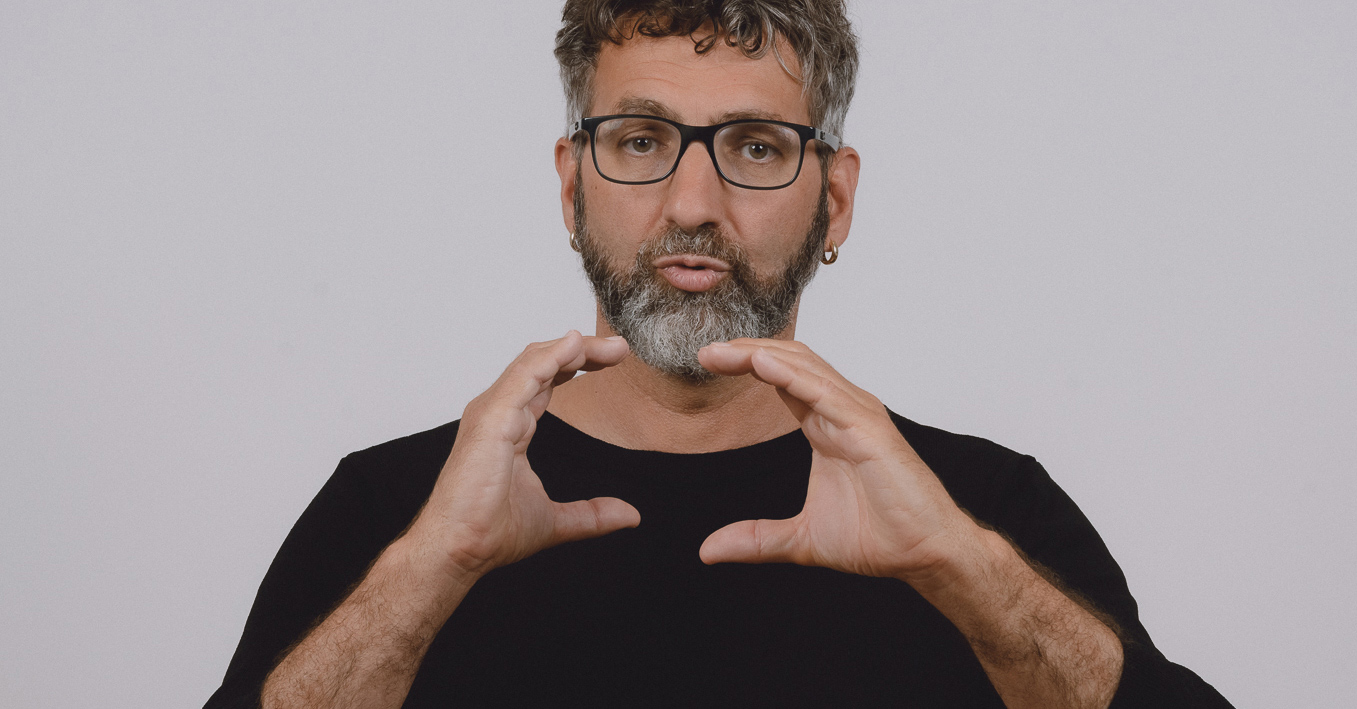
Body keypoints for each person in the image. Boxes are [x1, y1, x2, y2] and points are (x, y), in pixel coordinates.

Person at [207, 1, 1232, 707]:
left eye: (754, 146)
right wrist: (432, 569)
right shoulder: (394, 513)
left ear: (834, 199)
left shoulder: (982, 512)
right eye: (640, 140)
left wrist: (959, 568)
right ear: (571, 185)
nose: (692, 204)